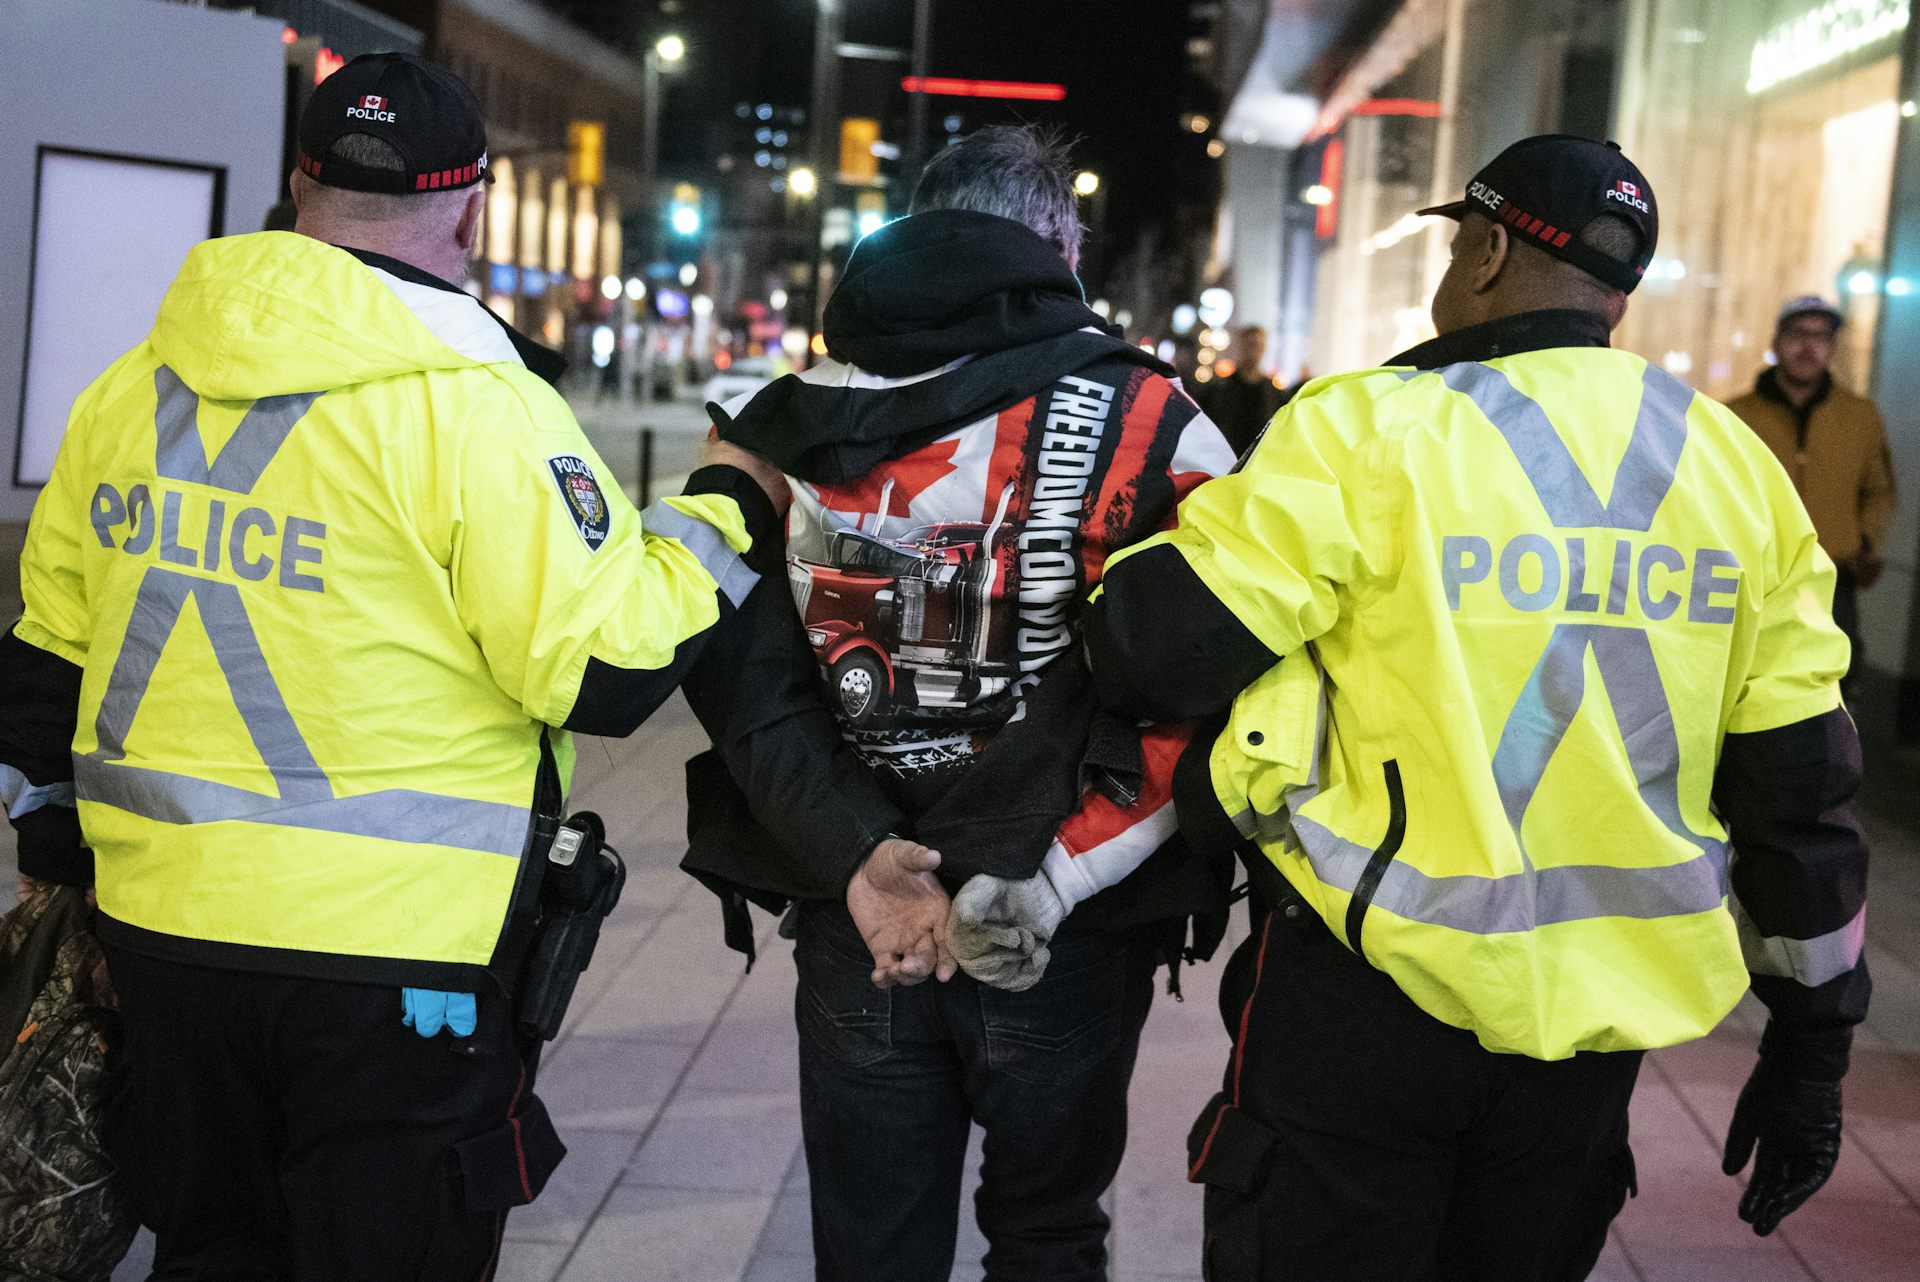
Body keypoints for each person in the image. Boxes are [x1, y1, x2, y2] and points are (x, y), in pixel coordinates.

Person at [0, 53, 786, 1280]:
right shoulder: (476, 409)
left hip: (164, 950)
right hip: (394, 971)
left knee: (213, 1256)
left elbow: (43, 671)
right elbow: (606, 671)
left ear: (298, 181)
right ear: (472, 209)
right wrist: (731, 506)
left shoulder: (129, 390)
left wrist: (73, 879)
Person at [1085, 135, 1870, 1281]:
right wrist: (1814, 1053)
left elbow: (1153, 650)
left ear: (1492, 248)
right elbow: (1803, 794)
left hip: (1362, 1006)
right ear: (1618, 287)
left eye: (1460, 241)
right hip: (1586, 1054)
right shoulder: (1741, 475)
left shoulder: (1371, 428)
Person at [679, 125, 1238, 1281]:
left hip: (860, 914)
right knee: (1044, 1232)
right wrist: (1047, 881)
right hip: (1060, 919)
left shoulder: (771, 423)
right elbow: (1207, 686)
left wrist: (854, 857)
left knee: (873, 1245)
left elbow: (734, 674)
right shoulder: (1159, 422)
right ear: (1058, 245)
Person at [1729, 296, 1895, 694]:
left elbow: (1880, 490)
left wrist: (1866, 540)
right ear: (1777, 340)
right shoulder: (1735, 415)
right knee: (1748, 676)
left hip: (1834, 576)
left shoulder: (1860, 417)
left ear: (1833, 346)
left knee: (1833, 678)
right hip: (1756, 576)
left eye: (1822, 336)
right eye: (1798, 334)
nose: (1809, 346)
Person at [1195, 324, 1286, 455]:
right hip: (1226, 461)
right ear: (1242, 346)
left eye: (1258, 345)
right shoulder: (1218, 391)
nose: (1254, 350)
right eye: (1250, 345)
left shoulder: (1275, 395)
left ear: (1264, 348)